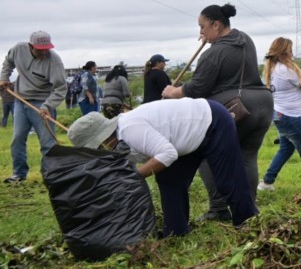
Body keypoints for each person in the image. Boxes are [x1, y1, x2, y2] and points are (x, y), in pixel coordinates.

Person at [67, 98, 258, 237]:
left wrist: (135, 176)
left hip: (212, 121)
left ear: (103, 137)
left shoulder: (130, 130)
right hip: (183, 138)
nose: (99, 151)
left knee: (228, 181)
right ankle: (175, 232)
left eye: (97, 147)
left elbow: (167, 154)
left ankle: (248, 225)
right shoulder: (117, 142)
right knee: (168, 179)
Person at [162, 3, 273, 222]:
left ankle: (219, 208)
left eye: (202, 27)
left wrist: (173, 92)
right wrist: (210, 40)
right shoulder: (245, 39)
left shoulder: (213, 54)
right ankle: (248, 208)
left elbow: (196, 88)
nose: (200, 33)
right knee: (247, 156)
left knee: (205, 152)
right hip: (263, 103)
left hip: (235, 107)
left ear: (216, 24)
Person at [0, 31, 67, 183]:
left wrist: (48, 106)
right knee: (17, 138)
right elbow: (8, 62)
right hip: (20, 100)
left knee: (47, 143)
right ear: (31, 46)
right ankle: (19, 174)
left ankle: (52, 175)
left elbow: (60, 88)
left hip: (42, 103)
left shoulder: (54, 61)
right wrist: (4, 78)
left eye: (46, 49)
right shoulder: (18, 49)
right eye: (40, 49)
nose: (44, 52)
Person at [258, 37, 301, 192]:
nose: (292, 54)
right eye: (290, 51)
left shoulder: (272, 69)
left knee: (285, 149)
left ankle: (267, 182)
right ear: (283, 53)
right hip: (293, 117)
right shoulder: (286, 69)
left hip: (280, 115)